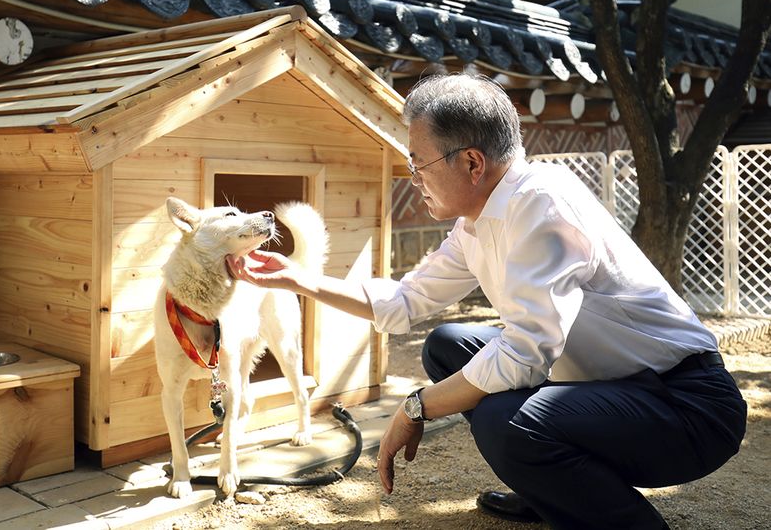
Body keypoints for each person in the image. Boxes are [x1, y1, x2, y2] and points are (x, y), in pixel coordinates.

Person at [225, 73, 747, 530]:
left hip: (685, 406)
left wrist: (415, 407)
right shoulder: (477, 220)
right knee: (451, 345)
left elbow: (524, 353)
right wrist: (297, 280)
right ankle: (553, 490)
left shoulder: (540, 205)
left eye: (418, 163)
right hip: (608, 384)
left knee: (509, 421)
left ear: (472, 162)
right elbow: (406, 301)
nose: (415, 180)